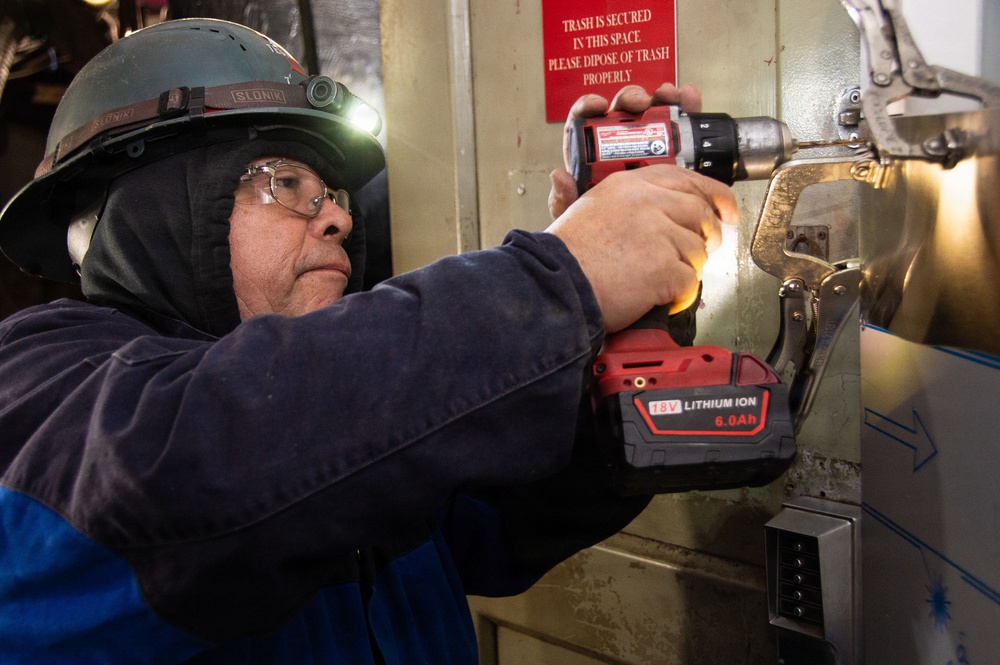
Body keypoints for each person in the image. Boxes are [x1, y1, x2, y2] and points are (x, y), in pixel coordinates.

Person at [0, 18, 737, 665]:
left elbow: (503, 519)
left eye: (334, 194)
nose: (338, 219)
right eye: (283, 181)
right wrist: (558, 282)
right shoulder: (39, 383)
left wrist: (618, 328)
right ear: (153, 209)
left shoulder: (356, 429)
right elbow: (202, 467)